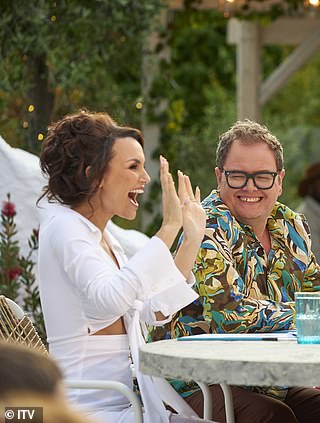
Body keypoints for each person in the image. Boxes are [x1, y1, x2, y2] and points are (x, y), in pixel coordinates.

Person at [152, 120, 320, 423]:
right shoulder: (205, 226)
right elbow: (231, 316)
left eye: (263, 176)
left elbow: (318, 291)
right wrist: (319, 311)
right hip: (194, 380)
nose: (250, 187)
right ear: (219, 177)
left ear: (280, 180)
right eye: (238, 176)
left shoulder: (291, 225)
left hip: (265, 379)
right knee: (273, 417)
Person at [37, 111, 207, 423]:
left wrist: (189, 241)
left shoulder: (105, 240)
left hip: (128, 404)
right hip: (86, 411)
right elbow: (109, 299)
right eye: (133, 167)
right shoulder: (64, 228)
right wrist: (167, 228)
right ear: (93, 175)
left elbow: (147, 314)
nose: (146, 178)